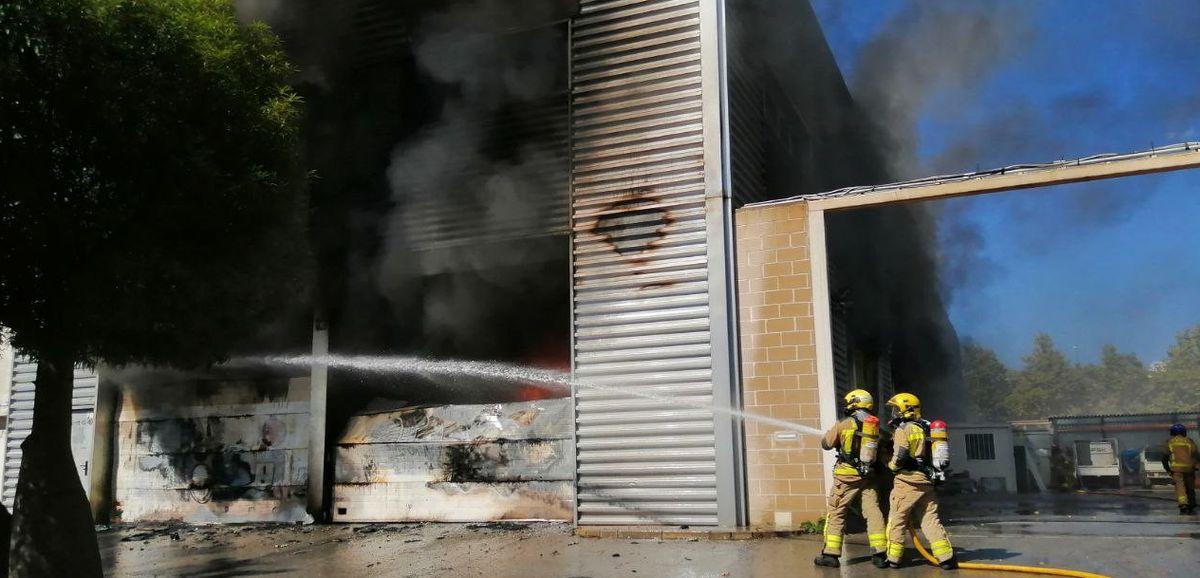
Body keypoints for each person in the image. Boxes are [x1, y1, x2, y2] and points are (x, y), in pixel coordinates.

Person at [813, 389, 888, 569]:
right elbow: (886, 448)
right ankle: (880, 553)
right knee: (873, 512)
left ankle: (830, 554)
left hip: (846, 477)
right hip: (868, 477)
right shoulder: (877, 427)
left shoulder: (844, 424)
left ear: (854, 403)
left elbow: (826, 444)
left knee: (837, 512)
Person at [882, 393, 957, 570]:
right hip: (927, 481)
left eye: (896, 409)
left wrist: (891, 466)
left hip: (907, 482)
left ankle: (893, 558)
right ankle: (946, 557)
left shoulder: (904, 429)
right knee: (930, 520)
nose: (894, 413)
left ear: (905, 409)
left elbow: (900, 455)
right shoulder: (928, 426)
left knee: (897, 519)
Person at [1161, 423, 1199, 514]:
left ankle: (1183, 504)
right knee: (1190, 487)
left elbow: (1164, 458)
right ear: (1184, 432)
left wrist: (1168, 470)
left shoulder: (1169, 442)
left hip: (1176, 470)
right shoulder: (1190, 441)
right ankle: (1192, 503)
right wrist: (1196, 466)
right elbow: (1196, 455)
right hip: (1189, 469)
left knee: (1180, 487)